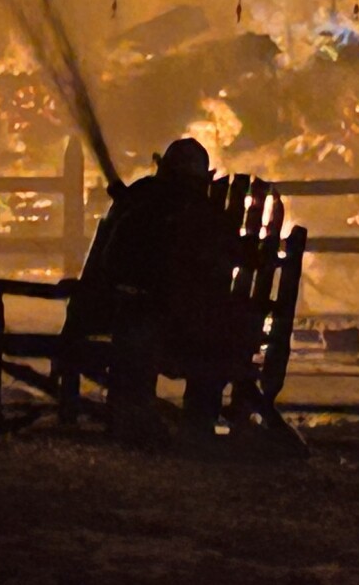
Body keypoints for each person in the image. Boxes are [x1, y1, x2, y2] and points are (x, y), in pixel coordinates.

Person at [97, 137, 253, 447]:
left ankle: (136, 420)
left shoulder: (145, 202)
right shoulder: (204, 212)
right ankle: (194, 425)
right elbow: (234, 256)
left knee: (138, 325)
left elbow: (114, 263)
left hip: (157, 323)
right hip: (192, 327)